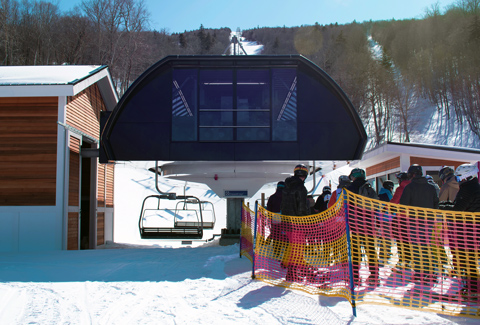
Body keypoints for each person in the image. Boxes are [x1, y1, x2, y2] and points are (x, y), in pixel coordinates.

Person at [399, 164, 439, 284]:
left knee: (416, 248)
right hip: (429, 221)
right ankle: (430, 272)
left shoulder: (409, 187)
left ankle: (419, 273)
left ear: (412, 174)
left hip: (414, 222)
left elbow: (403, 204)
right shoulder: (431, 187)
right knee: (427, 246)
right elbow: (436, 204)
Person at [449, 163, 480, 298]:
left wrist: (445, 209)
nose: (458, 181)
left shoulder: (468, 189)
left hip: (468, 231)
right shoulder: (474, 187)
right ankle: (471, 287)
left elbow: (458, 209)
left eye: (459, 178)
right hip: (472, 229)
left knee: (469, 260)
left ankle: (473, 289)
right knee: (470, 260)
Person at [346, 168, 379, 285]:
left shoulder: (349, 189)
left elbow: (345, 206)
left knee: (355, 251)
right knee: (370, 250)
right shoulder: (369, 188)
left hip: (355, 224)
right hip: (369, 224)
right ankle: (374, 276)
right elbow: (376, 204)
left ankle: (355, 276)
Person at [280, 164, 309, 282]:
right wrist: (306, 222)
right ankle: (292, 273)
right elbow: (302, 207)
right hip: (298, 222)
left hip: (287, 222)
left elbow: (283, 205)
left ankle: (294, 271)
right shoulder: (301, 188)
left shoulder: (286, 187)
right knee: (297, 249)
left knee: (293, 247)